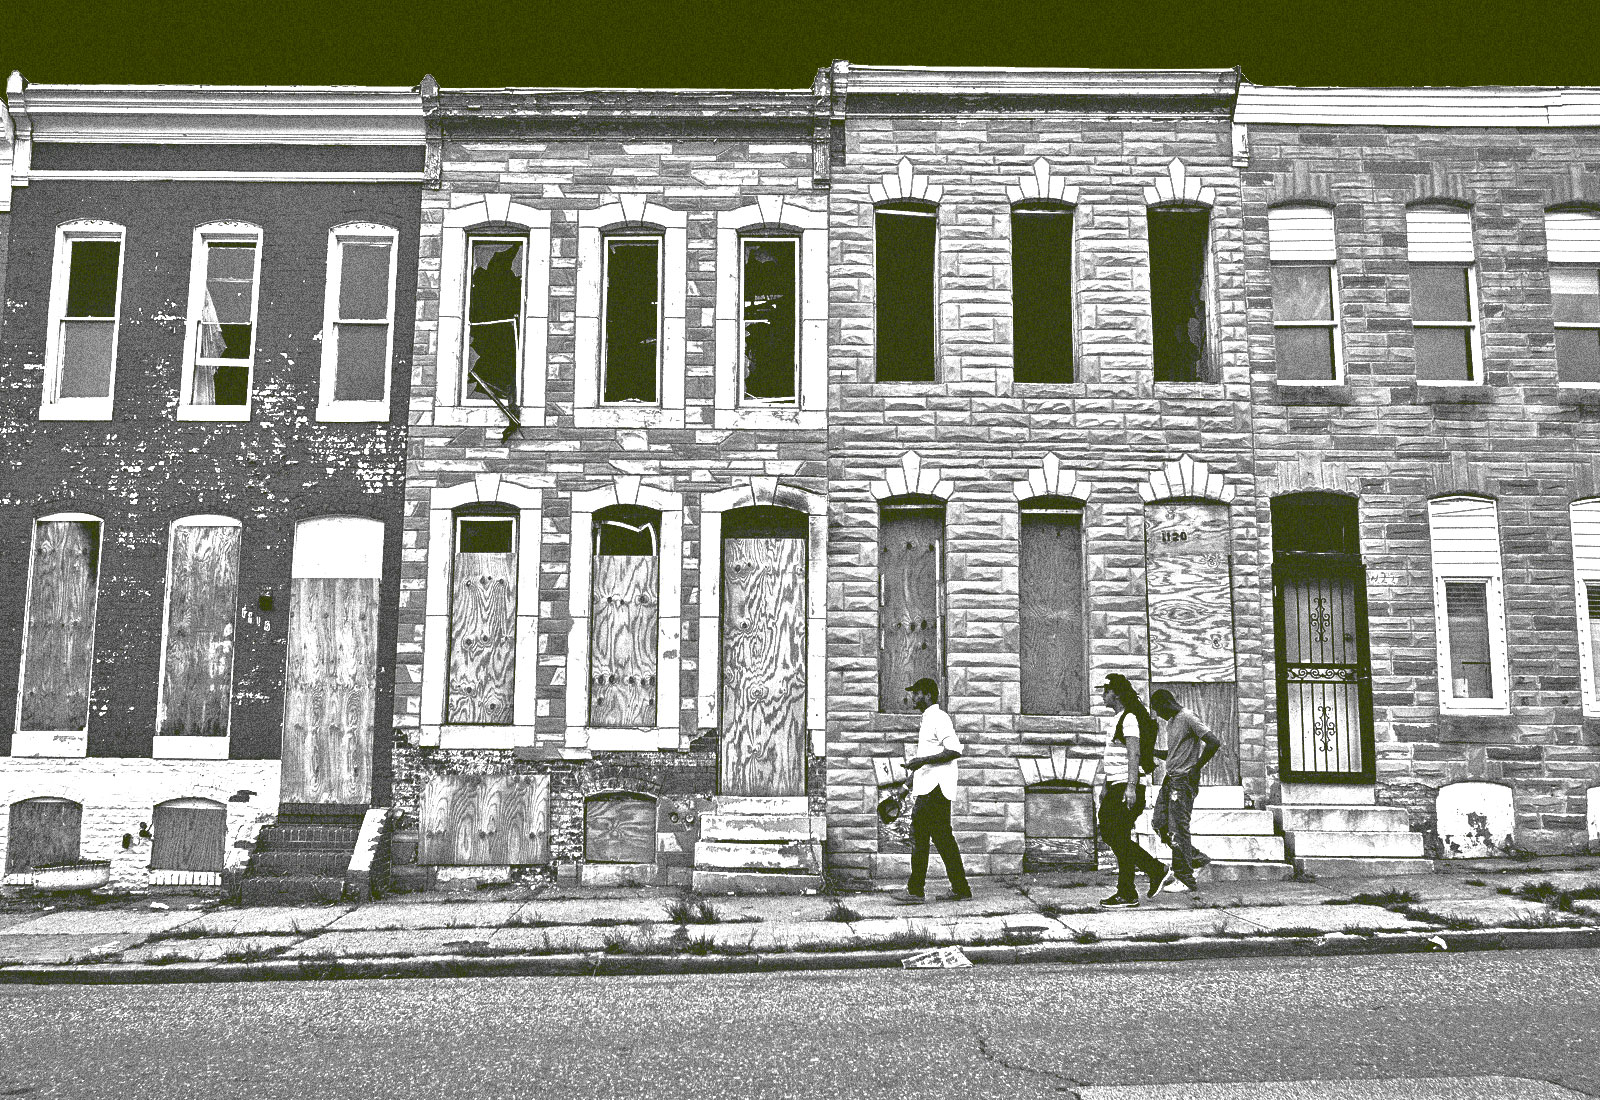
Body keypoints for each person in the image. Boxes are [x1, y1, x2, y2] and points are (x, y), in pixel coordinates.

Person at [1095, 674, 1168, 908]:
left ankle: (1148, 875)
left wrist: (1130, 787)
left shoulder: (1129, 719)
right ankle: (1132, 888)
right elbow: (1113, 758)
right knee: (1115, 835)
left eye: (1105, 691)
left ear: (1115, 693)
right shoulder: (1118, 718)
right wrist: (1106, 785)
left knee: (1113, 834)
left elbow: (1133, 754)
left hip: (1127, 787)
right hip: (1116, 786)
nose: (1103, 695)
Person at [901, 676, 971, 903]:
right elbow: (925, 765)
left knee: (920, 837)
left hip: (935, 790)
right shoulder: (927, 719)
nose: (912, 697)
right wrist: (904, 789)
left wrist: (920, 761)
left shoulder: (939, 717)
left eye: (916, 692)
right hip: (931, 788)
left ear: (928, 695)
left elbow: (954, 750)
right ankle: (961, 888)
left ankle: (915, 891)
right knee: (942, 839)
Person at [1149, 688, 1223, 893]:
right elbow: (1174, 754)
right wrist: (1152, 752)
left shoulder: (1188, 717)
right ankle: (1196, 859)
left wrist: (1195, 769)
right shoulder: (1172, 722)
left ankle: (1185, 878)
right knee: (1159, 823)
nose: (1158, 715)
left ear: (1166, 703)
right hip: (1170, 779)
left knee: (1178, 829)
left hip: (1183, 781)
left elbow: (1213, 742)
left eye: (1158, 709)